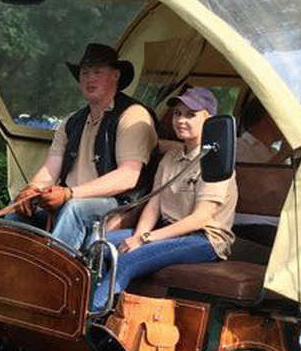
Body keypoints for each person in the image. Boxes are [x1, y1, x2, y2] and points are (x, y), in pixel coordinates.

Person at [91, 87, 237, 312]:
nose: (181, 120)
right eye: (178, 114)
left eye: (190, 114)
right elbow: (154, 204)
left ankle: (92, 315)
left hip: (203, 240)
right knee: (97, 245)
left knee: (128, 259)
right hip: (167, 231)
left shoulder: (215, 161)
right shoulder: (171, 157)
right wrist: (139, 235)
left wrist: (145, 240)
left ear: (209, 119)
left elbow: (200, 219)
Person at [14, 42, 157, 248]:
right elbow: (51, 168)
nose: (89, 78)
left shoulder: (132, 115)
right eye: (84, 72)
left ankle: (55, 274)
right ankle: (7, 273)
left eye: (97, 72)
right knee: (19, 210)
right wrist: (31, 189)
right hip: (69, 198)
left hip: (118, 204)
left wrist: (69, 194)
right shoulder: (72, 121)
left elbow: (128, 177)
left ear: (115, 76)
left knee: (75, 209)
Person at [234, 95, 288, 164]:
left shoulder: (275, 152)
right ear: (269, 117)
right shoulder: (237, 147)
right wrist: (282, 155)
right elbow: (245, 174)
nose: (287, 124)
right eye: (282, 116)